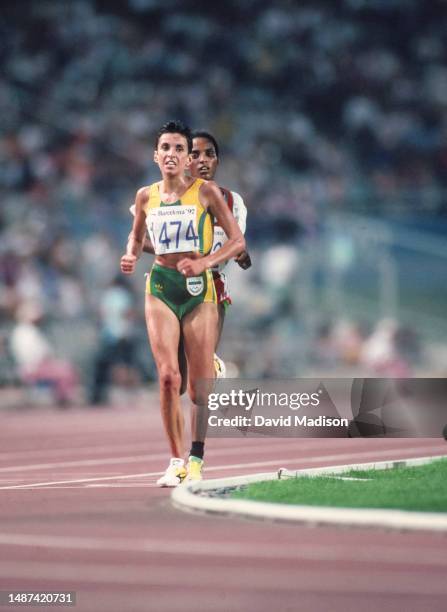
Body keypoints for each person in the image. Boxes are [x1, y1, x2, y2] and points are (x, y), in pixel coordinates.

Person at [120, 120, 245, 486]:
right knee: (167, 377)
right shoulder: (146, 195)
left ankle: (196, 458)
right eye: (167, 148)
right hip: (161, 284)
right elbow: (136, 236)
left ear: (186, 157)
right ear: (156, 156)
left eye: (180, 149)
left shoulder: (205, 193)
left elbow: (236, 242)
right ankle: (175, 460)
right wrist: (130, 255)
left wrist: (204, 262)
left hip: (198, 290)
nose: (173, 155)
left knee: (198, 386)